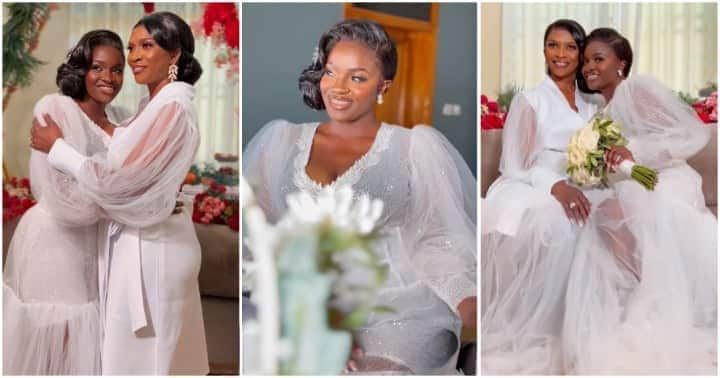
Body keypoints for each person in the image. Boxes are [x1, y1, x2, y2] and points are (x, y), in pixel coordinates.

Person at [481, 19, 717, 374]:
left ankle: (642, 305)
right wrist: (558, 185)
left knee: (612, 214)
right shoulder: (530, 99)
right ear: (542, 50)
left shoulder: (594, 105)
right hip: (545, 182)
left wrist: (622, 159)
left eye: (572, 48)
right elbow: (517, 161)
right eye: (552, 45)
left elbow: (643, 144)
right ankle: (611, 314)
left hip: (609, 182)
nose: (563, 55)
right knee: (585, 217)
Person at [243, 19, 477, 374]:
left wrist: (465, 298)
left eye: (357, 77)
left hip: (396, 307)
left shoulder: (416, 147)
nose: (337, 88)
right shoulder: (279, 141)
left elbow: (437, 236)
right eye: (330, 72)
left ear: (383, 86)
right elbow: (255, 236)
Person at [30, 12, 209, 375]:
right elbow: (138, 174)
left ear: (174, 55)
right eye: (133, 47)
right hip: (140, 243)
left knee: (147, 362)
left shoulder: (172, 107)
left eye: (147, 45)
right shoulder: (151, 106)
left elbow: (121, 181)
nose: (135, 56)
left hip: (154, 251)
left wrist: (59, 149)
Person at [3, 30, 130, 374]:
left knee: (86, 343)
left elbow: (127, 182)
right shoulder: (54, 107)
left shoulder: (122, 119)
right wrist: (123, 204)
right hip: (52, 244)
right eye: (98, 67)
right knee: (59, 338)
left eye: (117, 70)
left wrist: (125, 197)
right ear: (80, 68)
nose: (108, 77)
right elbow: (57, 195)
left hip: (96, 249)